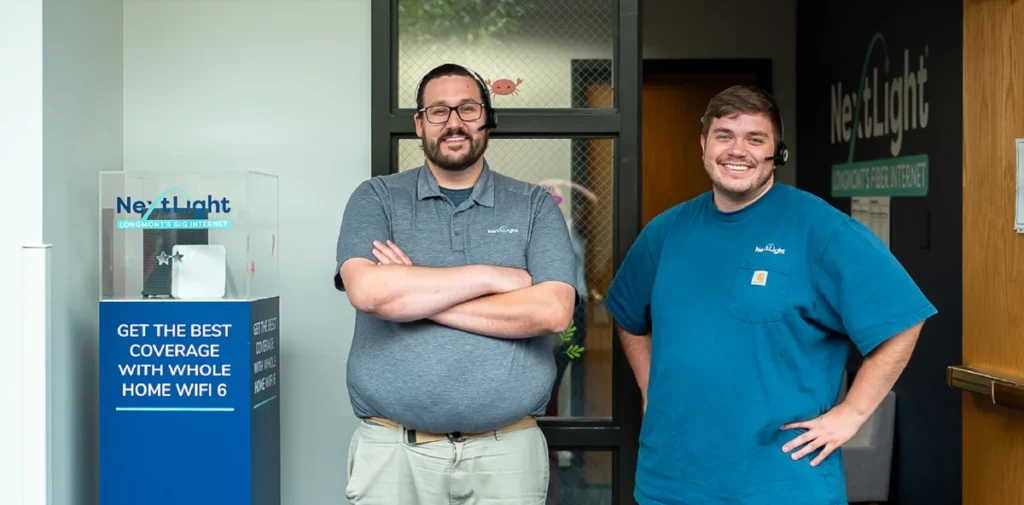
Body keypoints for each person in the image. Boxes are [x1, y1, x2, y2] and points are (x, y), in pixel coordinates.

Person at [604, 85, 936, 505]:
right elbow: (627, 314)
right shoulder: (665, 232)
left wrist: (851, 415)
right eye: (724, 135)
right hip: (670, 480)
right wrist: (652, 388)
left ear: (777, 152)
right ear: (704, 144)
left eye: (755, 139)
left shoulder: (821, 230)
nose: (736, 150)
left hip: (781, 484)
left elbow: (903, 318)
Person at [333, 62, 579, 504]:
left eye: (467, 109)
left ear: (487, 118)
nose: (453, 123)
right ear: (419, 123)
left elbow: (552, 311)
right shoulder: (377, 198)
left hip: (507, 454)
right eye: (438, 111)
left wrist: (409, 294)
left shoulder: (534, 205)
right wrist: (492, 277)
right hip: (394, 453)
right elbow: (368, 292)